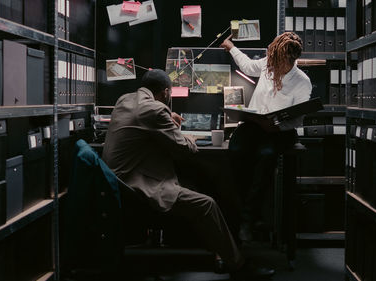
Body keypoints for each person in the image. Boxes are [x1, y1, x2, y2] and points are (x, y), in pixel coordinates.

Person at [102, 69, 275, 279]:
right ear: (166, 92)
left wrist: (166, 117)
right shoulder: (154, 110)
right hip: (137, 189)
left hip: (117, 183)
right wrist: (189, 136)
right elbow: (186, 148)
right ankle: (238, 265)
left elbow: (146, 122)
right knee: (207, 202)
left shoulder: (125, 100)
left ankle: (222, 250)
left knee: (200, 178)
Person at [220, 32, 312, 240]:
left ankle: (249, 219)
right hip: (255, 125)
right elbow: (248, 67)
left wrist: (277, 126)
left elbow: (298, 118)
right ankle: (249, 213)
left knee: (266, 157)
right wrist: (231, 48)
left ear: (290, 60)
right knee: (235, 150)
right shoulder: (268, 63)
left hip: (280, 131)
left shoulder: (301, 81)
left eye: (277, 63)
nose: (272, 67)